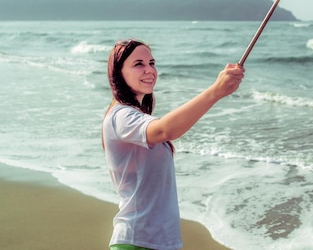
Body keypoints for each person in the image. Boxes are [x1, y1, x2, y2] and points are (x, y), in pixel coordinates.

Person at [102, 39, 244, 250]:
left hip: (160, 242)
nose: (149, 70)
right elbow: (164, 130)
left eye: (152, 62)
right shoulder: (121, 116)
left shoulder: (135, 116)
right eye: (138, 64)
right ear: (118, 73)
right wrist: (215, 91)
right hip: (137, 241)